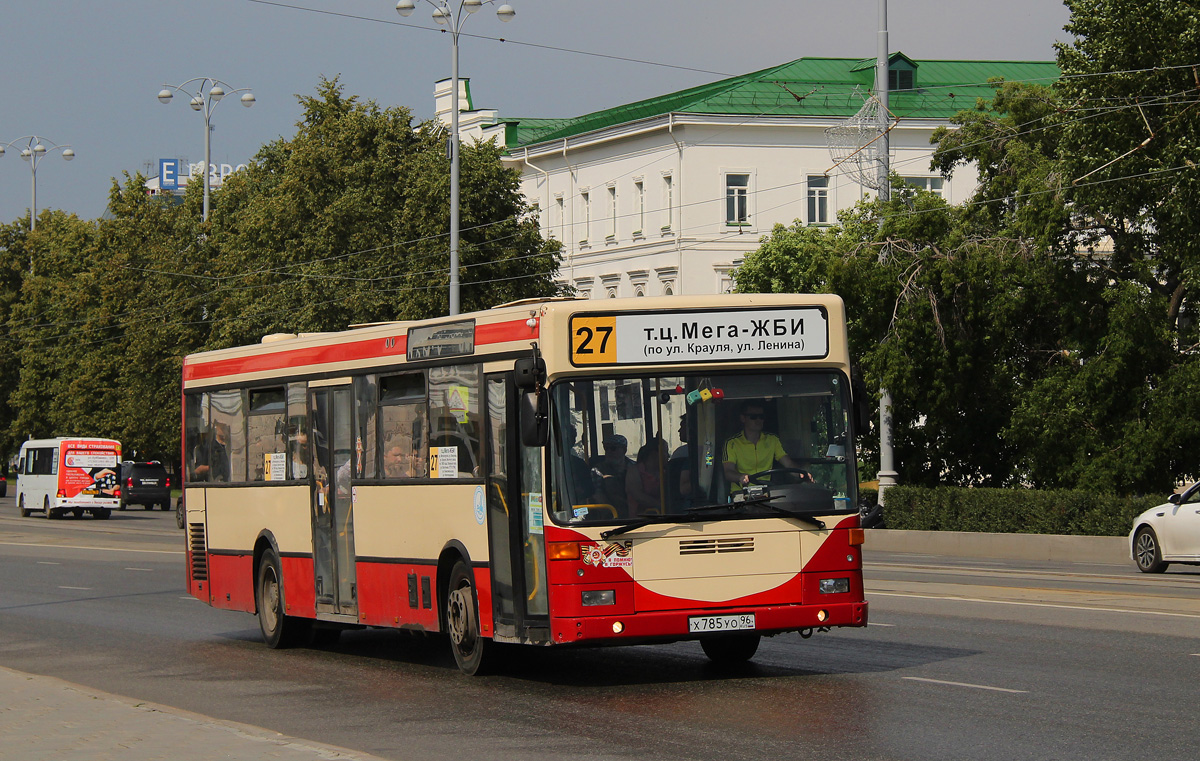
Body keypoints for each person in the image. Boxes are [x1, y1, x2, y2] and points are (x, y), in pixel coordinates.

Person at [723, 401, 804, 493]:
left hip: (766, 492)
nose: (758, 420)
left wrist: (801, 473)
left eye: (761, 417)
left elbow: (788, 464)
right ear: (743, 418)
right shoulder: (732, 443)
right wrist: (740, 477)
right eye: (753, 417)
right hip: (741, 494)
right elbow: (728, 472)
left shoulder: (773, 440)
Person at [590, 433, 633, 514]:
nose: (609, 452)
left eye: (613, 448)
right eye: (606, 448)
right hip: (609, 514)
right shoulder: (597, 470)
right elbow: (598, 495)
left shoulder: (634, 467)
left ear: (624, 450)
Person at [626, 439, 667, 515]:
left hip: (665, 518)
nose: (668, 456)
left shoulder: (665, 472)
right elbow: (638, 496)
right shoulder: (634, 471)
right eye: (665, 452)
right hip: (639, 519)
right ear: (654, 454)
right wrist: (662, 506)